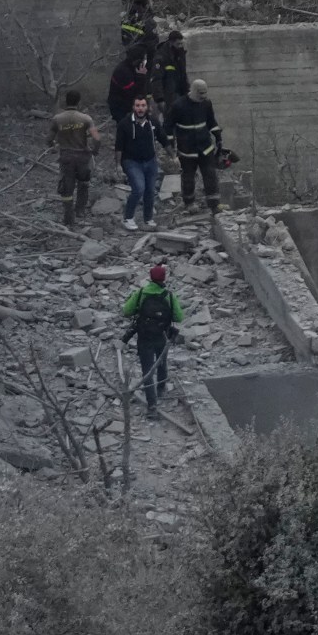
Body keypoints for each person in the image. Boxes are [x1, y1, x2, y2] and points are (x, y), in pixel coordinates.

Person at [118, 263, 185, 420]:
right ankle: (161, 389)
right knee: (162, 363)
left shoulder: (141, 293)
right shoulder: (169, 295)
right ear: (164, 278)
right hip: (162, 336)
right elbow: (179, 317)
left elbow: (126, 311)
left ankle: (152, 406)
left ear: (150, 277)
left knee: (147, 371)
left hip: (144, 337)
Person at [169, 79, 225, 215]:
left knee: (210, 175)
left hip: (205, 147)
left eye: (205, 93)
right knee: (188, 177)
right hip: (187, 150)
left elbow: (211, 122)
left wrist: (218, 138)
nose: (203, 96)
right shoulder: (179, 106)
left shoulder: (206, 104)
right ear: (193, 91)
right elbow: (168, 127)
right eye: (201, 93)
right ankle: (189, 203)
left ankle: (214, 204)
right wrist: (171, 151)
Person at [118, 94, 166, 231]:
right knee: (139, 188)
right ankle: (128, 218)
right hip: (131, 162)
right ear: (133, 107)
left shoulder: (153, 122)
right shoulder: (125, 124)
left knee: (150, 191)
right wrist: (118, 165)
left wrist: (173, 155)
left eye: (143, 105)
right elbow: (119, 146)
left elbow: (163, 138)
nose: (140, 108)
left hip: (150, 161)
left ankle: (148, 218)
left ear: (147, 107)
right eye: (138, 105)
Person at [52, 90, 97, 227]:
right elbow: (97, 138)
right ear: (79, 102)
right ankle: (80, 211)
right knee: (83, 183)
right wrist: (95, 151)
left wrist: (54, 146)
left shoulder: (57, 119)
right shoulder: (86, 119)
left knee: (67, 188)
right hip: (83, 157)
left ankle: (69, 218)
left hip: (66, 158)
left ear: (66, 101)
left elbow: (48, 139)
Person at [106, 50, 150, 131]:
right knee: (126, 131)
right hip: (121, 107)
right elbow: (132, 92)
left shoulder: (133, 68)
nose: (144, 62)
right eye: (143, 59)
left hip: (128, 106)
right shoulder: (123, 71)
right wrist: (141, 76)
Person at [152, 28, 190, 102]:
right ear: (171, 43)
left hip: (180, 92)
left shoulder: (181, 53)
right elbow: (157, 78)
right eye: (178, 44)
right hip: (168, 94)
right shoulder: (161, 57)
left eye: (181, 43)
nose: (180, 46)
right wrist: (159, 98)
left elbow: (183, 73)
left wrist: (187, 90)